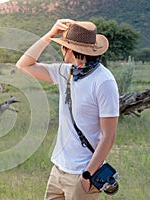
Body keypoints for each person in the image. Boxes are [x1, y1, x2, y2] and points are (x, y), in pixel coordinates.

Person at [16, 19, 119, 200]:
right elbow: (24, 64)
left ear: (69, 50)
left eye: (62, 46)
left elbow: (108, 136)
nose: (61, 50)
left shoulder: (104, 82)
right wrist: (50, 34)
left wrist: (87, 175)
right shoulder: (66, 72)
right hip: (58, 170)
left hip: (82, 174)